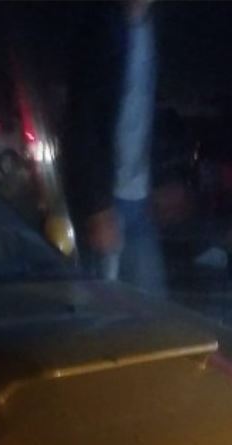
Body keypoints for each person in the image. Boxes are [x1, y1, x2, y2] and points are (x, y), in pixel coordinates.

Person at [62, 0, 165, 293]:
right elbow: (81, 122)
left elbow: (152, 113)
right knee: (101, 306)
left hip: (140, 201)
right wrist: (96, 206)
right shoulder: (99, 29)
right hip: (106, 202)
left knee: (152, 307)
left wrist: (165, 178)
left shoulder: (154, 30)